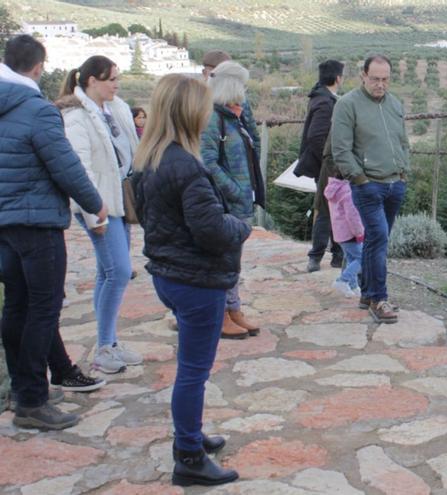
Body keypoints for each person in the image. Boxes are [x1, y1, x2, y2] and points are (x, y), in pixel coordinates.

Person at [132, 74, 249, 487]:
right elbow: (212, 231)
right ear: (189, 112)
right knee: (193, 372)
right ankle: (188, 455)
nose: (207, 115)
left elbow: (150, 218)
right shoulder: (187, 166)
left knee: (190, 368)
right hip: (196, 281)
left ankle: (192, 434)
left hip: (168, 275)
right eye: (202, 108)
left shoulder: (149, 159)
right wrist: (240, 226)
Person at [0, 34, 109, 429]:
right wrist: (96, 202)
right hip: (37, 223)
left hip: (4, 222)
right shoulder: (37, 110)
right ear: (38, 67)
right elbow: (64, 165)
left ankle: (20, 389)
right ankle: (32, 400)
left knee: (16, 305)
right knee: (43, 309)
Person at [56, 55, 142, 374]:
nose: (116, 84)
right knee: (119, 271)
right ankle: (105, 346)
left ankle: (110, 341)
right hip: (100, 202)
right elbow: (82, 168)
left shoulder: (114, 108)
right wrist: (96, 212)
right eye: (111, 79)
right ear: (92, 81)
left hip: (118, 196)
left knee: (108, 271)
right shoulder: (76, 116)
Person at [331, 54, 410, 324]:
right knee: (378, 238)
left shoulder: (395, 104)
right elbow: (340, 149)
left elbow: (402, 141)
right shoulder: (347, 104)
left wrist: (403, 173)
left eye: (385, 79)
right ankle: (379, 298)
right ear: (363, 75)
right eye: (375, 79)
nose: (380, 84)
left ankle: (366, 294)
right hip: (368, 186)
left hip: (394, 184)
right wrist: (359, 179)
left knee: (377, 239)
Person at [200, 60, 264, 339]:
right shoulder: (212, 119)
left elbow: (254, 144)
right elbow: (208, 162)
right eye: (242, 86)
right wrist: (235, 191)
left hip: (239, 201)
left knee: (232, 259)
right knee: (223, 259)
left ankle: (233, 309)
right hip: (227, 203)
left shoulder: (233, 115)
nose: (245, 92)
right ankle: (221, 314)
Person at [297, 60, 345, 272]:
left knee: (332, 208)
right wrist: (329, 160)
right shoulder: (326, 103)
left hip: (327, 163)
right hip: (328, 165)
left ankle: (336, 254)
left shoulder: (319, 98)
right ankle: (317, 257)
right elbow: (316, 137)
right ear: (338, 78)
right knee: (328, 209)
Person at [323, 141, 364, 298]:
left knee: (350, 258)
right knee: (363, 258)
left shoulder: (334, 188)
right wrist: (359, 233)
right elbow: (352, 216)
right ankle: (342, 280)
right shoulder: (347, 191)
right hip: (350, 233)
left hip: (339, 234)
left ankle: (354, 288)